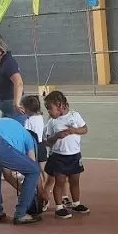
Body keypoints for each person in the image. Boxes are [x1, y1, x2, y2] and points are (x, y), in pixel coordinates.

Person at [43, 91, 89, 219]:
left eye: (49, 108)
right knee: (60, 182)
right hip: (59, 156)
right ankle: (59, 207)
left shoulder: (75, 116)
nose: (49, 112)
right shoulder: (52, 123)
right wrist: (57, 136)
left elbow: (85, 129)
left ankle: (76, 203)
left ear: (61, 106)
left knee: (75, 181)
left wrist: (74, 130)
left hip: (74, 155)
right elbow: (47, 142)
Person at [0, 31, 26, 122]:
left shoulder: (8, 62)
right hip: (7, 111)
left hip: (14, 112)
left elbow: (18, 83)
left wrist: (16, 103)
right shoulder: (0, 62)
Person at [21, 94, 51, 213]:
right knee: (43, 170)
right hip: (42, 145)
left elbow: (25, 134)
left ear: (27, 109)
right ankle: (46, 190)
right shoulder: (39, 117)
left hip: (33, 147)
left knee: (35, 170)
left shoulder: (28, 121)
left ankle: (41, 194)